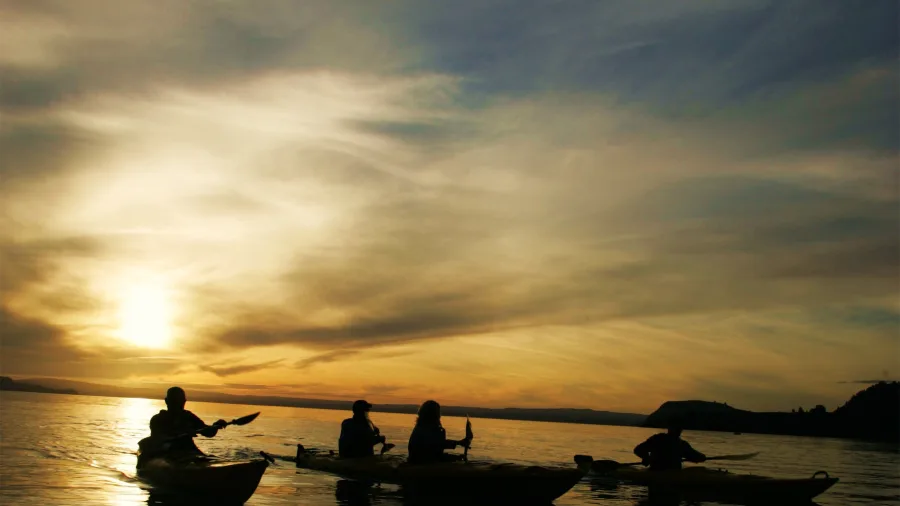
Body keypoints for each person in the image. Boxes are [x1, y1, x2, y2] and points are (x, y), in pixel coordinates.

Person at [142, 387, 227, 459]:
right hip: (167, 453)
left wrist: (215, 426)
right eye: (175, 401)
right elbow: (159, 438)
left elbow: (207, 432)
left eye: (181, 401)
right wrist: (184, 431)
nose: (179, 404)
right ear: (167, 401)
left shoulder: (188, 416)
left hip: (190, 452)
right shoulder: (157, 419)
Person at [407, 400, 470, 464]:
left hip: (422, 463)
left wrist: (457, 456)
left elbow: (437, 451)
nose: (440, 415)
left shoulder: (422, 427)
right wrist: (458, 443)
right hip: (420, 465)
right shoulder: (423, 429)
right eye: (438, 412)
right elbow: (437, 445)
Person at [633, 419, 706, 471]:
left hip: (671, 475)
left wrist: (702, 457)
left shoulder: (682, 444)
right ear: (669, 427)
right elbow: (638, 449)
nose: (678, 429)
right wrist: (646, 457)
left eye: (679, 428)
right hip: (656, 473)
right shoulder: (658, 439)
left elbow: (695, 456)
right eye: (676, 427)